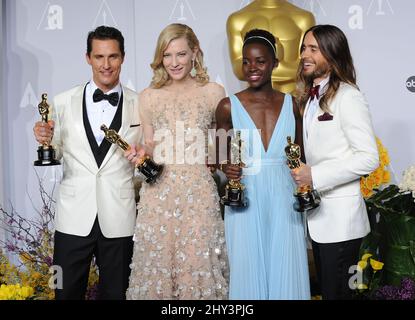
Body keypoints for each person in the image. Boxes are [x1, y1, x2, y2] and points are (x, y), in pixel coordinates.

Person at [33, 26, 141, 300]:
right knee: (63, 292)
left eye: (113, 57)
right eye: (99, 57)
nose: (106, 65)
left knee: (117, 295)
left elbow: (148, 156)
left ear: (123, 58)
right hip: (72, 217)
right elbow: (53, 151)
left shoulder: (141, 104)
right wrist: (44, 137)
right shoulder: (61, 101)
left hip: (120, 217)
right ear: (87, 58)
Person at [124, 23, 228, 300]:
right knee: (157, 269)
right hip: (158, 194)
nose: (174, 62)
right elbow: (149, 143)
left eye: (181, 54)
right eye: (167, 55)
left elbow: (223, 144)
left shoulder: (214, 92)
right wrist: (140, 154)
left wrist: (216, 159)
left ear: (195, 53)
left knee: (197, 266)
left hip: (199, 193)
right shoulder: (148, 96)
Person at [216, 29, 310, 299]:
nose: (252, 68)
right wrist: (226, 167)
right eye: (246, 61)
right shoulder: (226, 107)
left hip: (284, 194)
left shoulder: (294, 105)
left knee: (287, 263)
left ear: (275, 63)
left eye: (260, 61)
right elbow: (218, 154)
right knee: (247, 266)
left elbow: (300, 156)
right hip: (246, 196)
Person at [291, 24, 379, 300]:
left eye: (313, 49)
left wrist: (314, 176)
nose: (305, 54)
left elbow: (368, 158)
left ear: (332, 54)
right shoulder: (311, 98)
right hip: (319, 220)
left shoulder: (348, 96)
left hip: (342, 224)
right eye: (304, 48)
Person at [226, 0, 315, 93]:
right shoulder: (237, 19)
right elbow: (238, 69)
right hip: (254, 100)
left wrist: (260, 67)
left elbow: (308, 66)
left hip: (293, 97)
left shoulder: (303, 18)